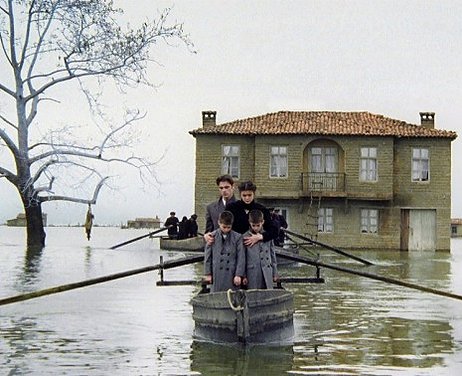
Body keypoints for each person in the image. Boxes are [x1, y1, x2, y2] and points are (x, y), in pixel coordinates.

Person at [224, 181, 279, 247]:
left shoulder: (262, 209)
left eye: (249, 195)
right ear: (240, 195)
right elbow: (223, 225)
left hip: (255, 248)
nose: (247, 198)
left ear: (254, 194)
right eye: (244, 195)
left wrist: (260, 237)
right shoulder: (231, 208)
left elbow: (274, 230)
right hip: (235, 247)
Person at [203, 211, 245, 292]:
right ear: (219, 223)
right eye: (224, 227)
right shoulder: (211, 236)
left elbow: (241, 257)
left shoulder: (238, 237)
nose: (226, 229)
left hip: (232, 274)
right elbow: (208, 256)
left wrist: (238, 274)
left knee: (233, 298)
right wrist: (208, 274)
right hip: (217, 273)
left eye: (229, 227)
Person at [243, 210, 278, 289]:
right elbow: (243, 258)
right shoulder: (245, 237)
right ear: (249, 222)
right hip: (252, 272)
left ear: (262, 222)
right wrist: (244, 275)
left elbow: (272, 255)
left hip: (267, 271)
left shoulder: (268, 236)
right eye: (253, 225)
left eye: (258, 225)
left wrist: (275, 272)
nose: (255, 228)